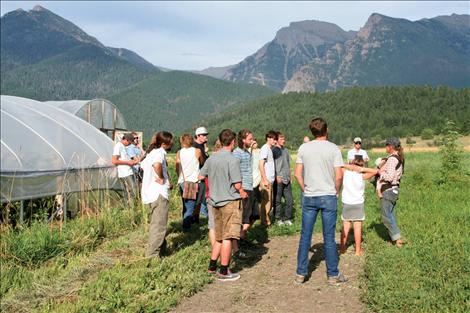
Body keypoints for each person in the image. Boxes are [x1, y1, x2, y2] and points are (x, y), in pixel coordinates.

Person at [294, 117, 347, 284]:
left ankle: (301, 274)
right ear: (326, 130)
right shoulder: (334, 149)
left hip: (309, 196)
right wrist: (336, 191)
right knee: (329, 238)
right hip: (328, 196)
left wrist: (305, 189)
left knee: (305, 236)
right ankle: (332, 275)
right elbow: (339, 175)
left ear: (312, 131)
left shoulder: (303, 148)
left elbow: (297, 174)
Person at [199, 129, 248, 281]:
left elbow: (201, 175)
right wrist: (243, 193)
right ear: (233, 142)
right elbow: (238, 184)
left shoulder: (212, 158)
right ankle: (224, 270)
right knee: (228, 237)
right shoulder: (232, 159)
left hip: (214, 202)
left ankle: (212, 266)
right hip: (230, 202)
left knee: (219, 236)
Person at [141, 131, 173, 258]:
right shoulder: (159, 153)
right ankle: (152, 255)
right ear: (164, 143)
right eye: (171, 141)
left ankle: (162, 250)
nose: (172, 143)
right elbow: (157, 165)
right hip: (158, 193)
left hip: (150, 193)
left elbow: (143, 166)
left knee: (157, 223)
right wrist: (161, 177)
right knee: (159, 225)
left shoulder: (151, 153)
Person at [340, 157, 379, 256]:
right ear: (362, 166)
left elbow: (339, 165)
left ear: (352, 163)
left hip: (347, 203)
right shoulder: (362, 176)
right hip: (358, 204)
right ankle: (357, 251)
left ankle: (342, 249)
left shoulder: (346, 173)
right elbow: (376, 171)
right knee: (357, 228)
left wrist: (350, 166)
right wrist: (361, 169)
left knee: (345, 227)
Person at [378, 137, 405, 247]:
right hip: (394, 190)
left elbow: (389, 177)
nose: (385, 147)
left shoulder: (392, 159)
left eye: (386, 145)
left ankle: (397, 239)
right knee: (391, 215)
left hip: (389, 190)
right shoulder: (398, 157)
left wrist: (380, 173)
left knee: (386, 217)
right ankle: (395, 238)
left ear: (390, 147)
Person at [233, 129, 254, 249]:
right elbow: (235, 171)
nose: (252, 141)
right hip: (243, 187)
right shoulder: (237, 153)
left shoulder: (247, 152)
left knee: (250, 215)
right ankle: (240, 240)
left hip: (250, 186)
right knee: (244, 216)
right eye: (250, 139)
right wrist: (240, 189)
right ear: (243, 140)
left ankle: (243, 237)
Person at [175, 134, 202, 231]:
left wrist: (180, 176)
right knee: (190, 206)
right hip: (192, 180)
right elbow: (201, 162)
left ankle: (185, 223)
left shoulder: (179, 152)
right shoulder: (197, 151)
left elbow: (177, 167)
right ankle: (186, 228)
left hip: (183, 180)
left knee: (185, 205)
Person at [112, 133, 139, 208]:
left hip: (128, 171)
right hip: (125, 173)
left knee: (130, 191)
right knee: (132, 191)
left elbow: (123, 159)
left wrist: (132, 162)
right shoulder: (118, 146)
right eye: (129, 142)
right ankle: (129, 208)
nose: (130, 144)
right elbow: (114, 160)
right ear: (126, 140)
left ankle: (129, 208)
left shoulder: (123, 146)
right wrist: (128, 162)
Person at [274, 132, 293, 225]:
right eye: (281, 139)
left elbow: (288, 164)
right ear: (276, 140)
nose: (283, 140)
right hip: (279, 179)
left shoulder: (285, 150)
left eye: (284, 139)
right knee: (277, 200)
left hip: (287, 178)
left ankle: (287, 218)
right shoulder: (274, 150)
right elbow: (271, 165)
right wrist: (276, 175)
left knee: (289, 200)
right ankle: (278, 219)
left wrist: (290, 176)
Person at [259, 130, 277, 227]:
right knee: (266, 203)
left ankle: (265, 221)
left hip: (270, 180)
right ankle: (264, 223)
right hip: (267, 181)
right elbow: (261, 164)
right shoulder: (265, 148)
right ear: (268, 139)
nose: (275, 141)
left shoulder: (269, 149)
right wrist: (265, 179)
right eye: (274, 139)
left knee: (269, 202)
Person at [193, 126, 210, 221]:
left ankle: (197, 217)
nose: (205, 137)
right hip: (199, 176)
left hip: (202, 175)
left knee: (200, 198)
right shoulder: (195, 147)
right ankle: (195, 217)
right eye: (204, 135)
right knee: (198, 198)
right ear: (198, 136)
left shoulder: (201, 146)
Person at [250, 140, 261, 222]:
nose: (254, 144)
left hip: (258, 172)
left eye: (255, 143)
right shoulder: (249, 152)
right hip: (252, 173)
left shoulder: (260, 151)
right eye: (253, 143)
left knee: (258, 192)